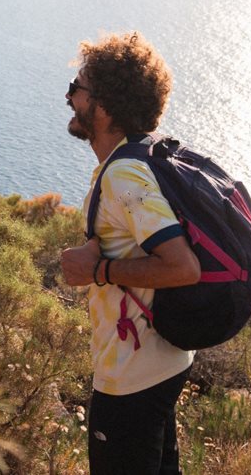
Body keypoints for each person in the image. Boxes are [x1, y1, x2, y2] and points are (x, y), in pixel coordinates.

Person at [59, 32, 202, 474]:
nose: (68, 98)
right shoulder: (141, 157)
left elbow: (182, 266)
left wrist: (98, 270)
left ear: (103, 107)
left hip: (132, 376)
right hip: (163, 361)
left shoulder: (124, 176)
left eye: (76, 89)